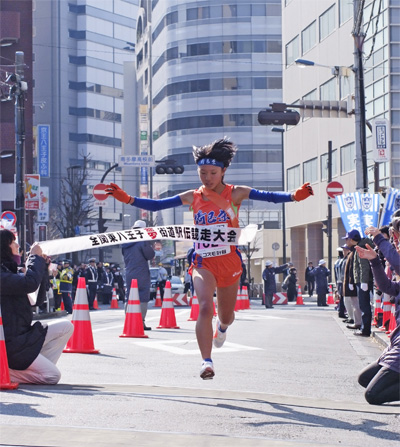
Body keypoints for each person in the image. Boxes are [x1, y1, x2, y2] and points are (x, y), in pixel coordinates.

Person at [105, 138, 313, 379]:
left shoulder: (236, 193)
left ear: (223, 171)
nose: (207, 178)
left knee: (227, 316)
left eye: (213, 173)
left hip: (229, 262)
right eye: (202, 173)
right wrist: (128, 199)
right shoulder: (192, 196)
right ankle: (206, 361)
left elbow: (269, 196)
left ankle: (222, 329)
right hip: (203, 261)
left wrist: (295, 197)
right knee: (205, 306)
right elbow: (156, 205)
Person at [0, 229, 74, 384]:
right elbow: (29, 284)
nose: (17, 245)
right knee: (52, 376)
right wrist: (34, 258)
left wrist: (43, 267)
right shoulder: (2, 275)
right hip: (11, 344)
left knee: (66, 327)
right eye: (13, 242)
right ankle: (6, 372)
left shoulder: (9, 271)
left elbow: (37, 300)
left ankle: (30, 370)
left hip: (23, 338)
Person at [355, 225, 400, 405]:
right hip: (396, 342)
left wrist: (379, 238)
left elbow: (397, 263)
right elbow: (387, 287)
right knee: (364, 379)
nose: (396, 243)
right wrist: (374, 261)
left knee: (372, 396)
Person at [122, 219, 155, 330]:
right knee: (142, 296)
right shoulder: (142, 240)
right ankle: (140, 322)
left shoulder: (125, 241)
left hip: (129, 271)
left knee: (129, 296)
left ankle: (128, 320)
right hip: (141, 272)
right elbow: (150, 255)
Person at [345, 229, 375, 337]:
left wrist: (363, 281)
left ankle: (365, 329)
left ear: (352, 239)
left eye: (347, 238)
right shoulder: (359, 246)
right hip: (360, 281)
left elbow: (364, 267)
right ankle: (364, 328)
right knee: (363, 305)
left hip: (363, 282)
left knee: (364, 306)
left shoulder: (360, 247)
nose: (347, 241)